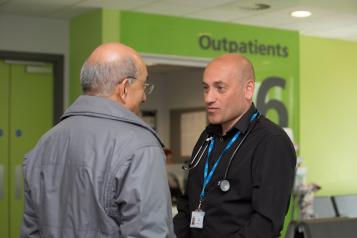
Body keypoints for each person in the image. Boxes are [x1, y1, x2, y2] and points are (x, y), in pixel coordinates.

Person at [21, 43, 175, 238]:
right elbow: (150, 233)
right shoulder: (140, 147)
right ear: (125, 87)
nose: (144, 96)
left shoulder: (45, 143)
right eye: (143, 86)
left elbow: (31, 232)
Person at [173, 54, 296, 238]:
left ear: (248, 89)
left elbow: (265, 225)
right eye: (206, 88)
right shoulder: (207, 137)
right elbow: (187, 205)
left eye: (220, 88)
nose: (209, 98)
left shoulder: (271, 141)